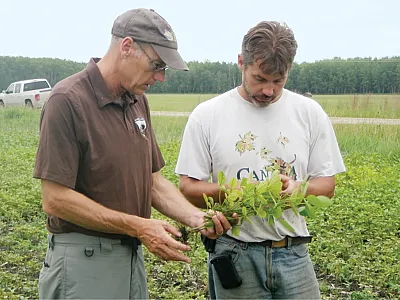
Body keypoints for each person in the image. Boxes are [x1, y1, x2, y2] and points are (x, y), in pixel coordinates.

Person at [33, 8, 232, 300]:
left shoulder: (137, 101)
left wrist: (196, 218)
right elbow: (55, 199)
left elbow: (151, 182)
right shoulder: (68, 101)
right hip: (82, 263)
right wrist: (139, 226)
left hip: (130, 258)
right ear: (127, 47)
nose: (160, 77)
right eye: (157, 65)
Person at [175, 21, 346, 299]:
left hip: (293, 252)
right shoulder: (208, 115)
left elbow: (327, 185)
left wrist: (298, 190)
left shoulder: (309, 113)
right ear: (241, 62)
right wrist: (231, 193)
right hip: (234, 251)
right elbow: (188, 187)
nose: (269, 90)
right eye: (260, 79)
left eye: (278, 81)